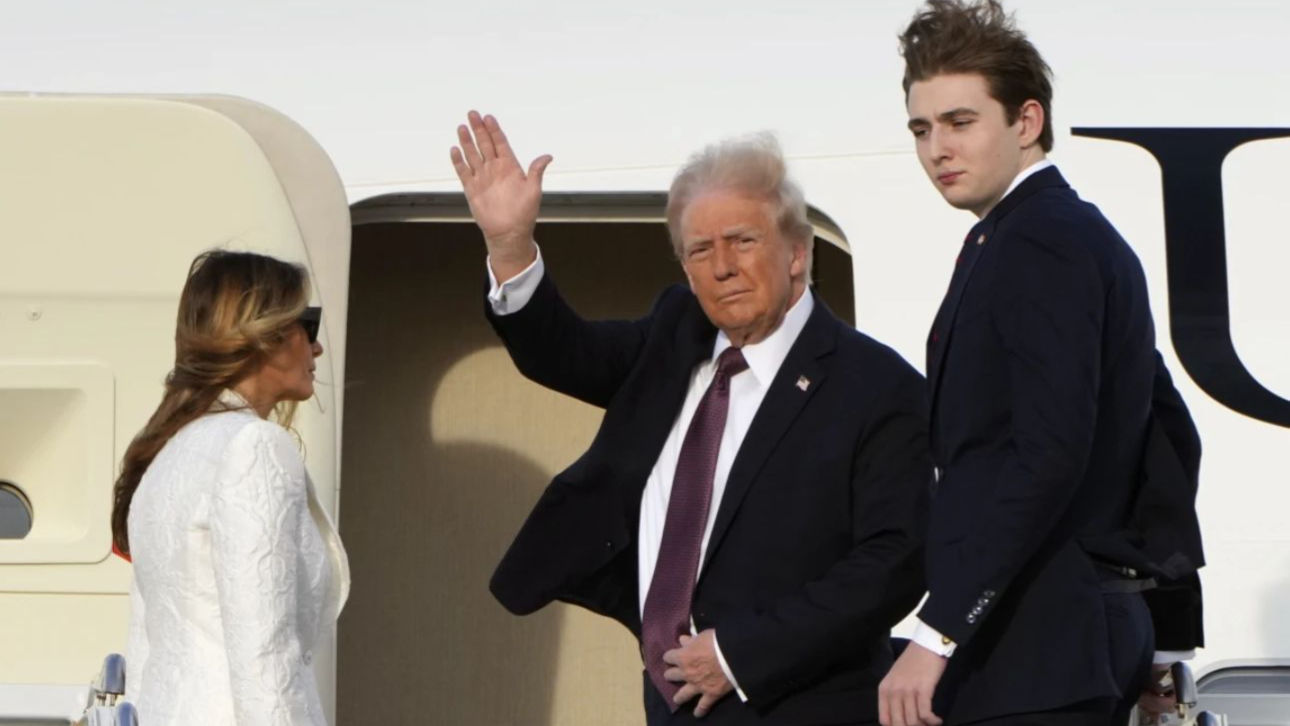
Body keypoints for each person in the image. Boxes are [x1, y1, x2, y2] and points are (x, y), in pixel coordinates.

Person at [452, 111, 931, 725]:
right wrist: (509, 246)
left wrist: (738, 654)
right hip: (672, 700)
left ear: (797, 254)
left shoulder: (876, 387)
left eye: (743, 241)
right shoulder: (677, 333)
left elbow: (896, 562)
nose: (722, 266)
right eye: (700, 250)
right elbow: (562, 352)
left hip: (798, 702)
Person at [878, 2, 1203, 725]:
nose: (937, 149)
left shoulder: (1038, 241)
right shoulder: (1057, 235)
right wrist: (1159, 639)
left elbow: (1048, 453)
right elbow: (1170, 431)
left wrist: (938, 630)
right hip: (1072, 642)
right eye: (922, 129)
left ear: (1026, 122)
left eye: (961, 122)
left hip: (1034, 654)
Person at [112, 250, 350, 725]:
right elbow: (266, 659)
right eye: (309, 324)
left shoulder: (166, 452)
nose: (316, 348)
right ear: (264, 335)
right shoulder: (254, 447)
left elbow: (144, 647)